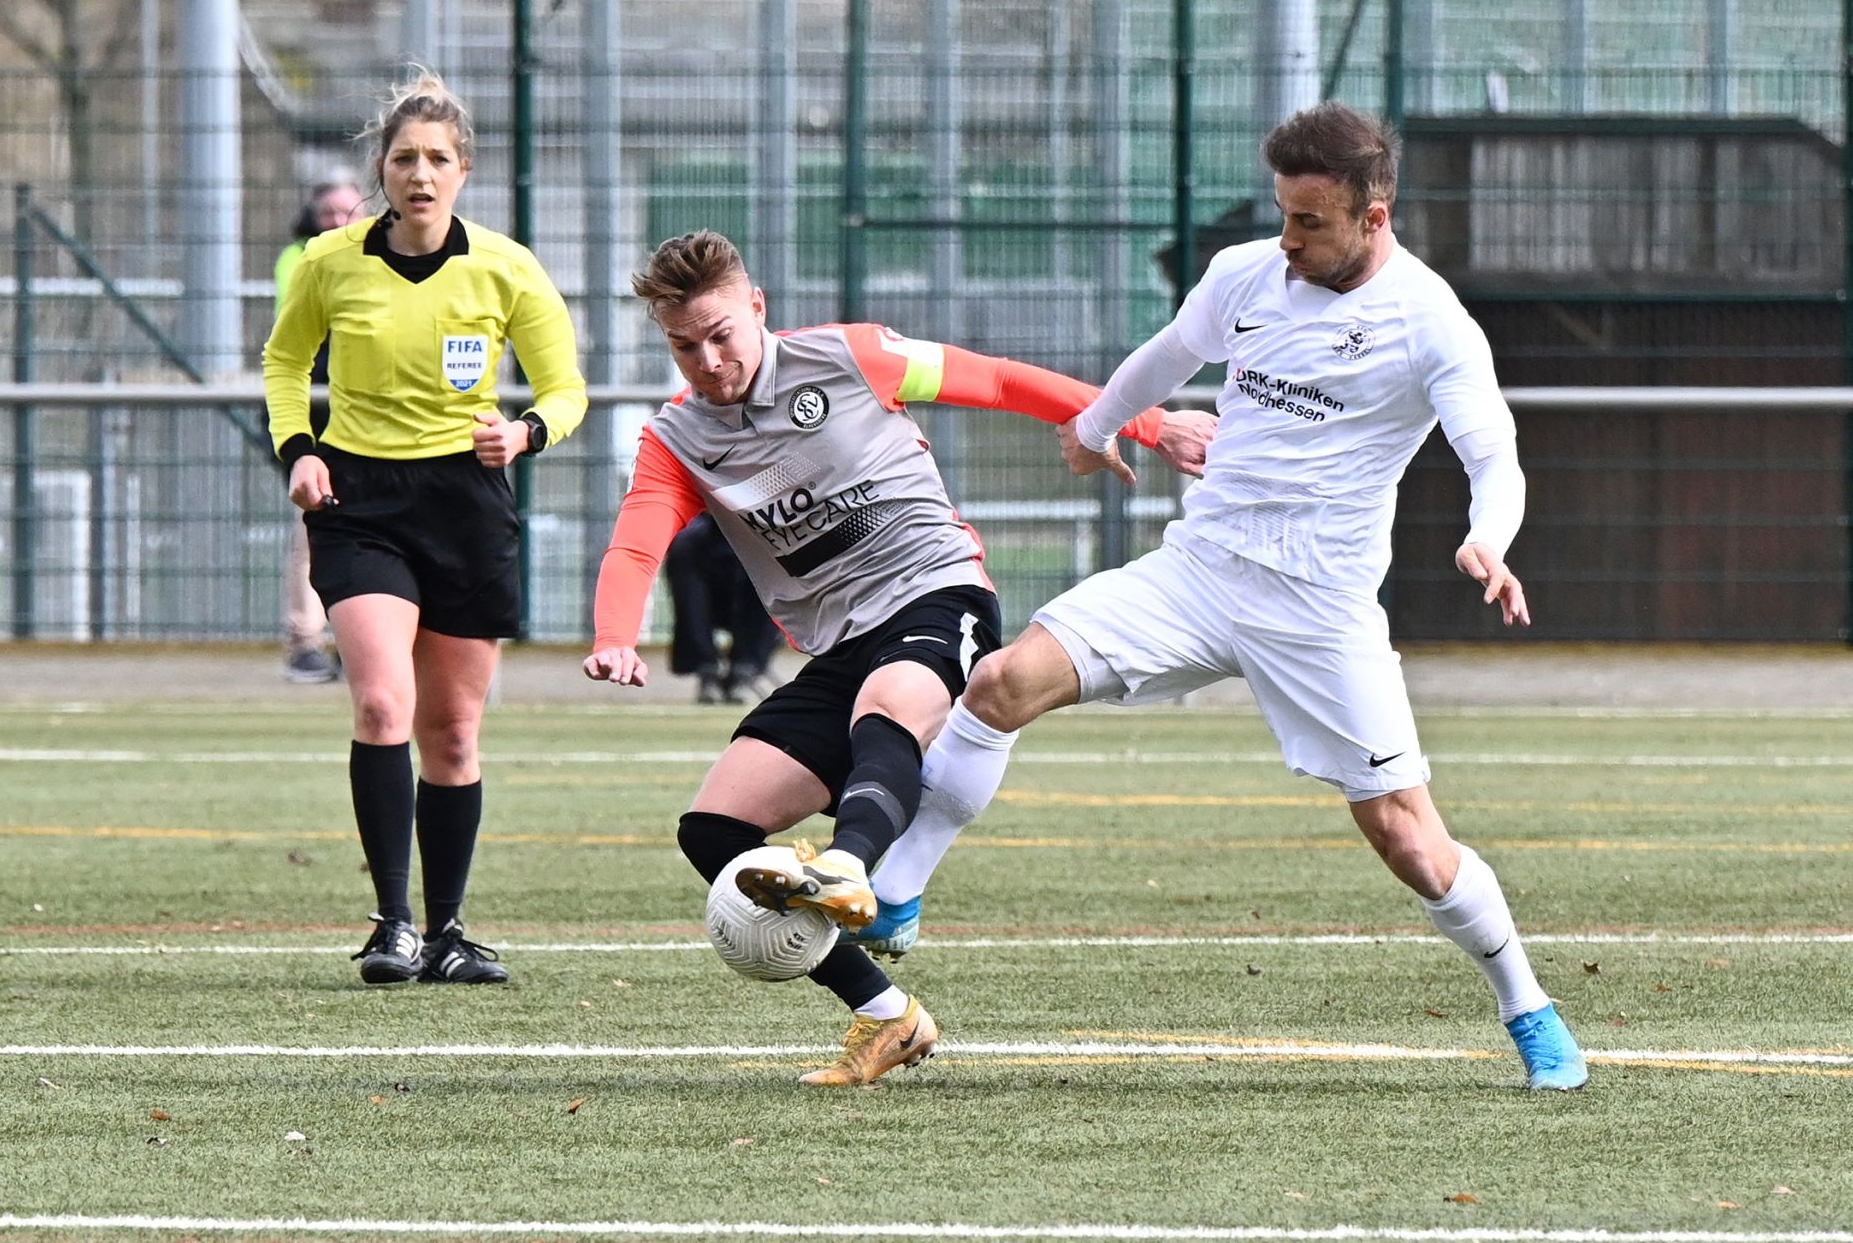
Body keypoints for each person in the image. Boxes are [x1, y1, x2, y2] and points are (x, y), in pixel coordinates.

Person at [861, 101, 1590, 1091]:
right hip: (1199, 571)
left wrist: (1487, 537)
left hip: (1319, 608)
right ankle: (898, 892)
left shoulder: (1431, 324)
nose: (1288, 239)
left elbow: (1493, 456)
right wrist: (1097, 427)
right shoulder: (1246, 273)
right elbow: (1170, 353)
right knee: (1000, 682)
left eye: (1310, 222)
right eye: (1283, 214)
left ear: (1374, 218)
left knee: (1409, 839)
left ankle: (1529, 1008)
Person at [583, 230, 1215, 1085]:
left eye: (721, 334)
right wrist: (614, 637)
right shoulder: (678, 438)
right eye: (683, 345)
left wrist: (1148, 423)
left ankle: (850, 866)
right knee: (714, 829)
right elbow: (636, 543)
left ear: (757, 307)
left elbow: (997, 380)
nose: (708, 361)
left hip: (934, 592)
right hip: (840, 642)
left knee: (888, 707)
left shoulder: (852, 356)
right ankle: (888, 1016)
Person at [263, 69, 587, 986]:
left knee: (451, 734)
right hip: (360, 503)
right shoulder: (330, 261)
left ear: (463, 171)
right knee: (381, 705)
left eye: (438, 159)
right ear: (382, 169)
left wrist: (524, 433)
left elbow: (566, 389)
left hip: (465, 507)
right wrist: (299, 450)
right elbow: (284, 362)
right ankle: (393, 925)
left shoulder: (507, 267)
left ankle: (447, 931)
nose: (420, 173)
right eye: (404, 158)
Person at [273, 180, 366, 684]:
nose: (337, 221)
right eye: (328, 212)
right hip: (317, 413)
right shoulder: (303, 260)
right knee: (314, 526)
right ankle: (307, 641)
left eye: (346, 211)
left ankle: (361, 637)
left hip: (368, 411)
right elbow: (304, 332)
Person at [664, 512, 781, 704]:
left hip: (759, 527)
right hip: (711, 532)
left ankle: (746, 667)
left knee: (773, 552)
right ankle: (705, 667)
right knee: (684, 546)